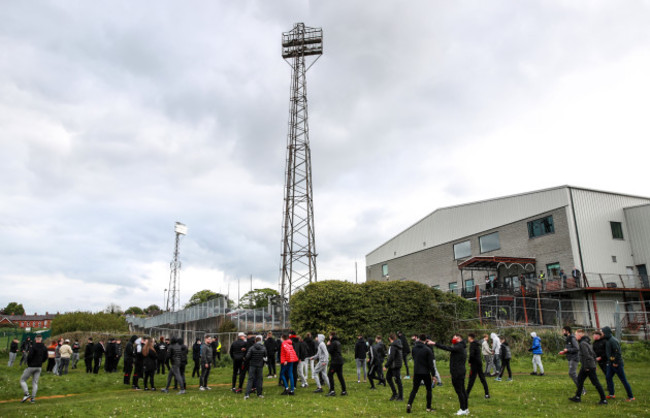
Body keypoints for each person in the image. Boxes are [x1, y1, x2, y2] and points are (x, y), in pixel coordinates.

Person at [431, 333, 469, 416]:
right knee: (462, 390)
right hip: (460, 371)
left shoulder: (459, 347)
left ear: (458, 339)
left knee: (459, 391)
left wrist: (435, 344)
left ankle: (463, 409)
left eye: (454, 338)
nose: (453, 339)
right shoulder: (461, 346)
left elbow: (447, 348)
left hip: (457, 372)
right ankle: (465, 408)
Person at [568, 329, 607, 405]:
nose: (575, 336)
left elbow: (587, 356)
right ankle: (577, 397)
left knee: (595, 382)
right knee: (580, 380)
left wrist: (588, 367)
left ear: (580, 335)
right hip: (586, 365)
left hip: (588, 366)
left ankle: (603, 399)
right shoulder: (587, 342)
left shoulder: (583, 344)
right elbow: (593, 354)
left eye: (576, 335)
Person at [602, 326, 634, 401]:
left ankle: (631, 397)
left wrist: (615, 362)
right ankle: (611, 394)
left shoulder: (613, 341)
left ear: (606, 332)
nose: (602, 334)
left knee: (623, 380)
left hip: (617, 364)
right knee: (608, 377)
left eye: (603, 332)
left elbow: (618, 353)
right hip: (611, 363)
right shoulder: (607, 340)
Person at [406, 334, 434, 414]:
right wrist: (433, 374)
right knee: (428, 389)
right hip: (425, 372)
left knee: (414, 389)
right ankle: (428, 407)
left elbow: (415, 358)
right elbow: (430, 364)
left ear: (418, 339)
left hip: (417, 371)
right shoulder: (427, 349)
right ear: (426, 340)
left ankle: (409, 404)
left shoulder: (414, 349)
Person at [19, 334, 48, 404]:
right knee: (35, 382)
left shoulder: (33, 347)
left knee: (22, 380)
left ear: (35, 339)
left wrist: (29, 364)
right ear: (41, 339)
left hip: (32, 366)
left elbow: (29, 356)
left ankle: (26, 394)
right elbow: (46, 357)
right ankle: (33, 398)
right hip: (39, 367)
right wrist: (41, 362)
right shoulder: (44, 347)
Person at [466, 333, 490, 399]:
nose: (468, 339)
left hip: (474, 364)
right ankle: (487, 394)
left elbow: (472, 355)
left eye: (468, 337)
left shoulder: (472, 344)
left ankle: (466, 394)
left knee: (471, 379)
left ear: (470, 338)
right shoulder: (477, 343)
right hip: (479, 363)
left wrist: (470, 362)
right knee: (482, 378)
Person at [558, 326, 581, 393]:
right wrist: (565, 351)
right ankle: (581, 388)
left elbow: (576, 348)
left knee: (572, 373)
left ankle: (581, 388)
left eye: (563, 331)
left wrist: (567, 350)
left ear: (567, 331)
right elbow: (570, 349)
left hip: (574, 358)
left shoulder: (572, 338)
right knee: (572, 373)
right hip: (570, 358)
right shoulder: (568, 338)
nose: (563, 332)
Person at [244, 335, 267, 399]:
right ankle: (259, 394)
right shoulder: (263, 348)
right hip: (260, 365)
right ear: (261, 341)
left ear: (255, 341)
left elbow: (247, 357)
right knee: (259, 379)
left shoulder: (251, 348)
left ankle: (247, 394)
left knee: (250, 379)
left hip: (252, 365)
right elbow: (265, 356)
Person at [383, 333, 403, 401]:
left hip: (395, 365)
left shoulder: (393, 346)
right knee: (388, 378)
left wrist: (386, 365)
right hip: (395, 364)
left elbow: (391, 357)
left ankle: (400, 396)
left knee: (398, 380)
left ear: (389, 338)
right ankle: (395, 394)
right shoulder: (397, 344)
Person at [326, 331, 347, 396]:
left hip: (335, 361)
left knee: (330, 374)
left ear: (331, 336)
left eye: (329, 336)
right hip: (340, 361)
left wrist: (328, 345)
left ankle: (332, 391)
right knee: (340, 376)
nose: (329, 337)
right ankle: (344, 390)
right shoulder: (338, 342)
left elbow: (330, 351)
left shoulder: (333, 343)